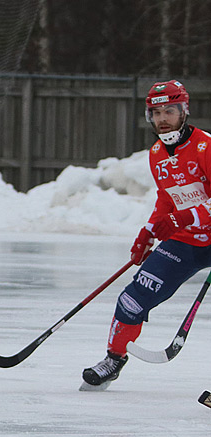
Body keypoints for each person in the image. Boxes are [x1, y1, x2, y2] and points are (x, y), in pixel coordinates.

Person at [82, 80, 211, 391]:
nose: (163, 118)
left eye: (170, 110)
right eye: (156, 112)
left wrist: (186, 216)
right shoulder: (156, 154)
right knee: (133, 298)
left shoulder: (206, 147)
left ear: (185, 111)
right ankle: (114, 359)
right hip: (187, 241)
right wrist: (149, 231)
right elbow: (168, 199)